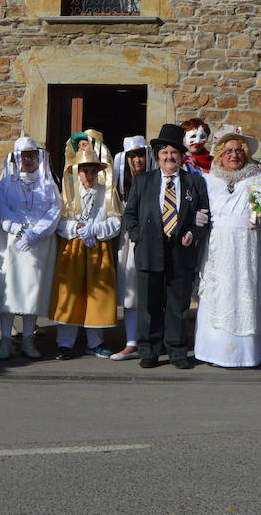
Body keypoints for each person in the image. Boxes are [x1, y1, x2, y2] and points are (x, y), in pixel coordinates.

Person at [123, 123, 211, 369]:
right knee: (149, 304)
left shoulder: (195, 183)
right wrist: (138, 236)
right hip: (150, 249)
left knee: (178, 304)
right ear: (158, 156)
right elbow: (129, 215)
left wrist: (194, 232)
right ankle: (149, 349)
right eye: (164, 153)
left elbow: (204, 214)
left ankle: (177, 350)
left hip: (181, 250)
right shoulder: (143, 182)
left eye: (174, 153)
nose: (169, 157)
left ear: (181, 156)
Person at [196, 128, 261, 368]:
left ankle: (247, 354)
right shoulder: (207, 181)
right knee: (218, 294)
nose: (233, 155)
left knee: (246, 294)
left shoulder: (259, 179)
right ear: (219, 155)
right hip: (219, 248)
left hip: (248, 246)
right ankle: (214, 352)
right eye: (228, 151)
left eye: (238, 151)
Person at [0, 136, 61, 360]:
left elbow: (55, 210)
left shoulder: (47, 183)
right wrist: (18, 229)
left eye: (31, 155)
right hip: (10, 244)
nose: (28, 160)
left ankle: (28, 338)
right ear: (16, 158)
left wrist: (36, 232)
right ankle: (6, 339)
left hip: (38, 244)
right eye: (23, 155)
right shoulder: (6, 183)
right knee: (8, 291)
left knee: (31, 291)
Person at [50, 136, 122, 359]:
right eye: (84, 171)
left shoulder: (107, 193)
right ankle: (65, 342)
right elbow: (58, 222)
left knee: (97, 295)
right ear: (77, 172)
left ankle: (95, 341)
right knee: (70, 293)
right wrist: (75, 228)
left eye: (93, 171)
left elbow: (116, 222)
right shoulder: (68, 193)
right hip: (72, 249)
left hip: (98, 250)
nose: (89, 176)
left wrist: (95, 229)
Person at [110, 135, 153, 360]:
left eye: (140, 155)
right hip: (128, 240)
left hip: (153, 239)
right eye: (132, 156)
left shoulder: (156, 179)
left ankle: (153, 339)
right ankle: (132, 341)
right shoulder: (119, 185)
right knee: (131, 292)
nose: (137, 160)